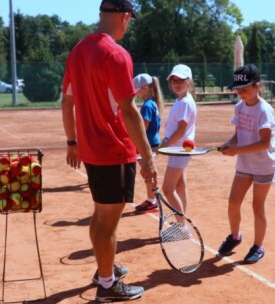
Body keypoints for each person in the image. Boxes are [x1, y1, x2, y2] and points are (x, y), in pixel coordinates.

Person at [61, 0, 157, 302]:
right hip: (114, 149)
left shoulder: (78, 51)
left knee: (100, 214)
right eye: (130, 20)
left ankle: (105, 269)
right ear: (125, 16)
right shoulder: (116, 54)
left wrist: (72, 141)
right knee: (108, 221)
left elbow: (66, 102)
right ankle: (107, 284)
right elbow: (129, 111)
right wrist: (148, 157)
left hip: (90, 149)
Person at [216, 64, 275, 264]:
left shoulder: (264, 111)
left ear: (258, 86)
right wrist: (228, 144)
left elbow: (264, 143)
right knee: (233, 202)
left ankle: (258, 246)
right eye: (238, 89)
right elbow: (238, 135)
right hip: (245, 163)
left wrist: (236, 151)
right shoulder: (239, 107)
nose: (240, 93)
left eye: (244, 89)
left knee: (257, 206)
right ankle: (235, 237)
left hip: (264, 165)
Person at [158, 64, 197, 215]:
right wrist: (165, 144)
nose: (176, 84)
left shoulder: (185, 102)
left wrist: (163, 147)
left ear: (189, 82)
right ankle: (182, 222)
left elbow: (180, 130)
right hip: (178, 149)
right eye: (173, 80)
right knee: (180, 186)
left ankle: (181, 225)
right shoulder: (181, 100)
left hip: (178, 150)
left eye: (180, 80)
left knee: (167, 190)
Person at [133, 73, 164, 213]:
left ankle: (152, 201)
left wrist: (135, 145)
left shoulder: (147, 106)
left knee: (148, 173)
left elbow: (142, 129)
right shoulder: (153, 103)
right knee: (148, 173)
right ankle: (151, 200)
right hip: (152, 143)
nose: (136, 94)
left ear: (145, 88)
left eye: (137, 90)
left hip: (147, 145)